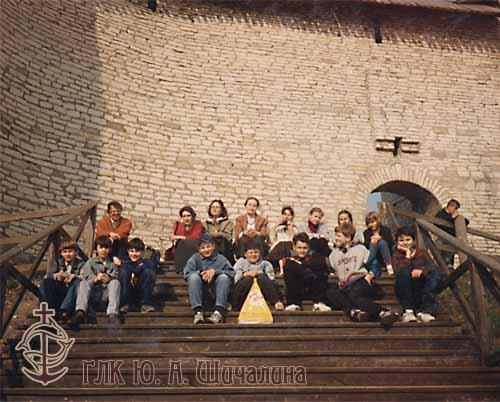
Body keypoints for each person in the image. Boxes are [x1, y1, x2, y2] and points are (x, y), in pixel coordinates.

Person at [326, 224, 399, 327]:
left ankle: (382, 312)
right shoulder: (333, 255)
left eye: (338, 236)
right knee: (331, 293)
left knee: (353, 294)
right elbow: (331, 268)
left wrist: (370, 275)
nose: (336, 238)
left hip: (359, 281)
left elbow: (375, 265)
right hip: (344, 285)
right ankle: (356, 312)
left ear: (348, 238)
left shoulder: (360, 249)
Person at [393, 226, 443, 323]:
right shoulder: (396, 255)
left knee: (434, 272)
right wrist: (407, 255)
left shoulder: (422, 253)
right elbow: (397, 271)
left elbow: (432, 266)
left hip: (421, 288)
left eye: (408, 239)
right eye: (401, 240)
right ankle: (408, 312)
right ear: (397, 242)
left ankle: (425, 311)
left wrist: (421, 271)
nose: (405, 242)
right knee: (404, 272)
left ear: (413, 241)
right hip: (405, 290)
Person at [72, 236, 121, 330]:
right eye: (101, 247)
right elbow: (86, 276)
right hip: (93, 294)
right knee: (83, 283)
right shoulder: (90, 262)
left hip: (106, 295)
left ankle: (112, 314)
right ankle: (80, 311)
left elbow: (116, 275)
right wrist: (96, 279)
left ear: (110, 250)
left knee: (115, 282)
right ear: (96, 249)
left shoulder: (112, 264)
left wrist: (109, 278)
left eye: (106, 248)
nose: (103, 250)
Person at [184, 234, 234, 324]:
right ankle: (198, 312)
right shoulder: (195, 258)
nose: (206, 250)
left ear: (213, 246)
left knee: (224, 277)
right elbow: (187, 273)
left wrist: (216, 272)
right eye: (203, 248)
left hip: (216, 291)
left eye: (208, 246)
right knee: (193, 277)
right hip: (201, 291)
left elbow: (231, 272)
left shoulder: (220, 258)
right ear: (199, 249)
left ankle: (218, 313)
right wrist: (200, 273)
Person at [283, 233, 332, 312]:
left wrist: (302, 268)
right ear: (294, 247)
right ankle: (293, 303)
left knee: (319, 268)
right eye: (299, 248)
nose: (302, 251)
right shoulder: (290, 262)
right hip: (298, 290)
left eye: (305, 248)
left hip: (312, 289)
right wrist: (304, 269)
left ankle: (319, 303)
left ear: (309, 248)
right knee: (290, 266)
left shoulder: (316, 259)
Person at [232, 239, 284, 312]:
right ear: (245, 254)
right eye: (250, 252)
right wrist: (245, 274)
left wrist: (259, 273)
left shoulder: (265, 264)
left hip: (261, 291)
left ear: (260, 253)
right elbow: (236, 280)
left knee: (261, 276)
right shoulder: (240, 262)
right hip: (244, 290)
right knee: (248, 278)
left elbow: (271, 279)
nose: (253, 255)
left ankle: (276, 302)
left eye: (256, 252)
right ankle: (236, 306)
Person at [39, 240, 84, 323]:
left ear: (76, 252)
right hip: (60, 290)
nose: (67, 254)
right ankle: (48, 310)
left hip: (72, 293)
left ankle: (64, 311)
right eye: (65, 252)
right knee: (45, 282)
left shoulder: (80, 263)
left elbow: (84, 277)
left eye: (70, 251)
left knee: (77, 281)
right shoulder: (58, 262)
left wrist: (74, 276)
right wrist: (56, 276)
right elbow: (47, 276)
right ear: (61, 253)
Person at [117, 238, 156, 314]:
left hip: (140, 291)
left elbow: (151, 265)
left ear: (142, 252)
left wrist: (135, 272)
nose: (134, 254)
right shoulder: (125, 260)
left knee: (148, 272)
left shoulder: (146, 261)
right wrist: (137, 268)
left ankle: (145, 304)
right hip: (127, 291)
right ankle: (124, 304)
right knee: (123, 271)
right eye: (131, 251)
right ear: (128, 251)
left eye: (137, 251)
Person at [435, 199, 470, 266]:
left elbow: (466, 221)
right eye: (455, 208)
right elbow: (439, 223)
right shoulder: (441, 214)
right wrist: (452, 217)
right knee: (438, 254)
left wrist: (458, 217)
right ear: (450, 206)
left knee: (448, 258)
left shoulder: (454, 215)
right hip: (442, 238)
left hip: (451, 239)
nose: (455, 210)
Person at [171, 206, 204, 274]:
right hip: (180, 251)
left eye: (188, 216)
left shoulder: (198, 224)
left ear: (192, 216)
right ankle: (181, 269)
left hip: (194, 248)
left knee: (184, 242)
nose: (186, 218)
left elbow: (196, 237)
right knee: (181, 243)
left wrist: (181, 237)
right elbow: (174, 238)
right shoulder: (178, 225)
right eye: (184, 216)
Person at [268, 206, 298, 276]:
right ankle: (282, 270)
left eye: (289, 215)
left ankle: (285, 269)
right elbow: (272, 238)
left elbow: (293, 239)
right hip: (278, 246)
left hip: (290, 246)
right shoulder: (277, 227)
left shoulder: (294, 227)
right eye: (285, 214)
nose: (286, 217)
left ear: (292, 217)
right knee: (282, 245)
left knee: (286, 244)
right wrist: (275, 226)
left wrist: (290, 229)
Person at [203, 199, 235, 264]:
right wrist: (211, 235)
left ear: (221, 209)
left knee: (220, 239)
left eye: (217, 207)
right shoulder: (205, 223)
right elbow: (203, 236)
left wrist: (219, 234)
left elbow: (229, 237)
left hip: (223, 247)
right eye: (213, 207)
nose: (214, 209)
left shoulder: (228, 223)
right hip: (208, 245)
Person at [363, 212, 394, 276]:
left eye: (373, 222)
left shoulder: (385, 230)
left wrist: (380, 238)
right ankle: (368, 262)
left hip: (385, 255)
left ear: (378, 221)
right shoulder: (366, 232)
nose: (371, 224)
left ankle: (389, 265)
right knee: (373, 243)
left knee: (381, 242)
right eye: (369, 223)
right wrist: (371, 241)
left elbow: (391, 242)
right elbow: (366, 245)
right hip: (374, 256)